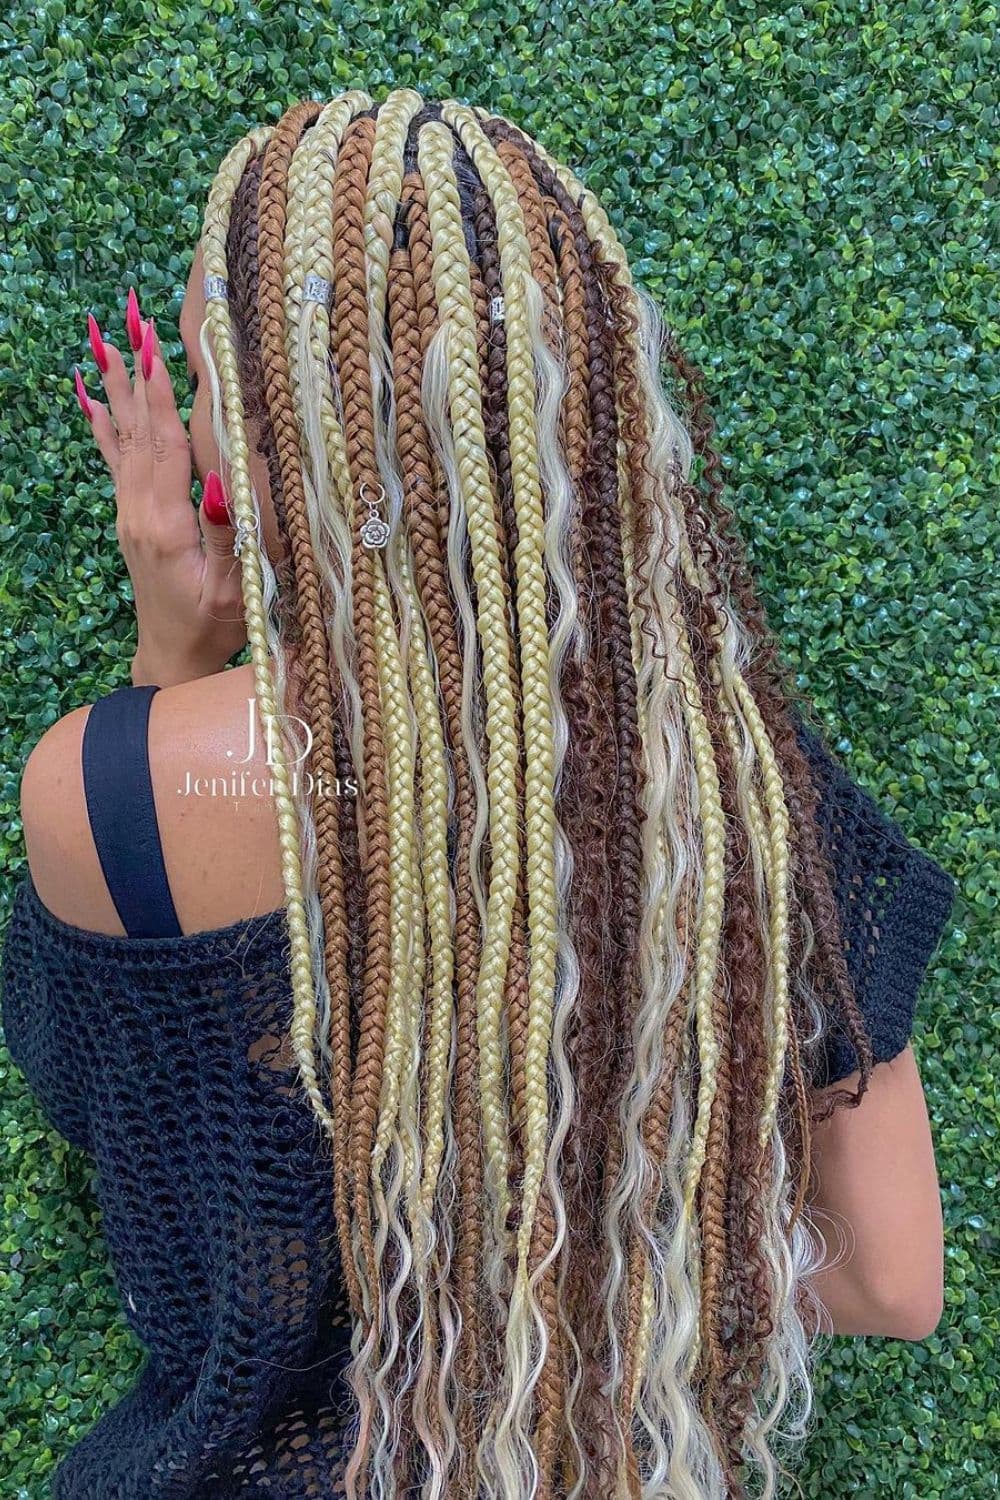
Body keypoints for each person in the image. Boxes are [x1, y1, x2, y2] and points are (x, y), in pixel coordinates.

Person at [0, 89, 957, 1500]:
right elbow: (888, 1278)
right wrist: (590, 1276)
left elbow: (136, 1136)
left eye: (210, 386)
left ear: (283, 433)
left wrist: (173, 663)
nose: (193, 433)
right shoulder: (735, 787)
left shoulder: (100, 784)